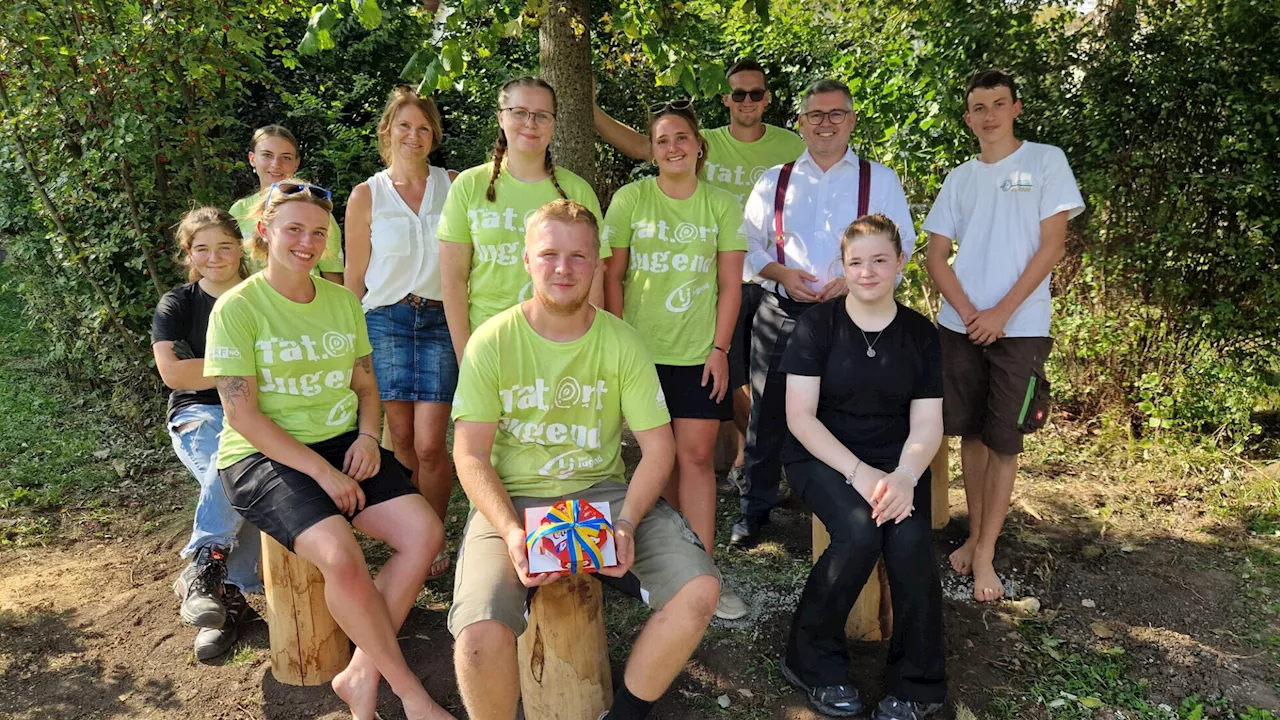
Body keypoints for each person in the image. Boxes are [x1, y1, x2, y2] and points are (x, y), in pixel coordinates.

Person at [449, 199, 720, 720]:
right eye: (549, 254)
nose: (563, 268)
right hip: (515, 497)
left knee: (699, 590)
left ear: (598, 264)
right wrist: (509, 532)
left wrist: (625, 523)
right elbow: (471, 453)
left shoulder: (623, 342)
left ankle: (623, 716)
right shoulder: (492, 340)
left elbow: (659, 449)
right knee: (479, 635)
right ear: (526, 260)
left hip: (602, 491)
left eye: (579, 257)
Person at [205, 181, 453, 720]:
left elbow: (366, 386)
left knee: (424, 534)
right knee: (343, 557)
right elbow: (241, 415)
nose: (307, 241)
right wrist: (322, 472)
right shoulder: (236, 308)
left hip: (343, 441)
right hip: (260, 454)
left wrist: (368, 436)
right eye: (294, 229)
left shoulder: (343, 301)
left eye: (318, 232)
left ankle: (362, 671)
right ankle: (411, 694)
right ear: (264, 232)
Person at [595, 58, 807, 488]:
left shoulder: (791, 146)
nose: (747, 101)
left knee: (760, 382)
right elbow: (642, 145)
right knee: (726, 384)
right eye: (739, 93)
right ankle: (736, 461)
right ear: (726, 99)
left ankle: (761, 463)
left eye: (756, 93)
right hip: (705, 277)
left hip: (765, 276)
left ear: (767, 98)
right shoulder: (700, 139)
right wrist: (589, 107)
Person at [731, 78, 917, 548]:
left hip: (853, 317)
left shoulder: (881, 180)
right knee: (768, 409)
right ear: (800, 123)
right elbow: (746, 246)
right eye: (816, 115)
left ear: (852, 120)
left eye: (836, 114)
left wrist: (855, 283)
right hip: (783, 309)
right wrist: (781, 273)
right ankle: (755, 508)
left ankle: (840, 502)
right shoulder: (774, 180)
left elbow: (905, 246)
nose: (826, 123)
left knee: (846, 410)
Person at [923, 69, 1084, 602]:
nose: (989, 114)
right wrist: (972, 313)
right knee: (969, 434)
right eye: (978, 107)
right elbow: (935, 257)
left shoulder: (1045, 162)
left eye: (998, 103)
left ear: (1015, 108)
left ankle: (987, 552)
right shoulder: (959, 179)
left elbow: (1052, 245)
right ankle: (971, 538)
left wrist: (1001, 313)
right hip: (962, 326)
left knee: (1004, 441)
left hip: (1022, 327)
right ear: (968, 118)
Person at [781, 214, 945, 719]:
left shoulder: (920, 334)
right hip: (822, 456)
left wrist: (904, 477)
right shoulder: (817, 325)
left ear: (900, 262)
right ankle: (812, 660)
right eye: (856, 262)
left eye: (879, 260)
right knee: (858, 533)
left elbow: (927, 425)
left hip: (897, 465)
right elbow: (799, 417)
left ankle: (918, 684)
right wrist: (858, 473)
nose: (868, 272)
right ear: (843, 267)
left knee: (912, 539)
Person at [601, 102, 748, 620]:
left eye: (681, 137)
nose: (673, 148)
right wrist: (619, 344)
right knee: (655, 458)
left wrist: (720, 349)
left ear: (698, 145)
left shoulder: (721, 206)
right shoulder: (630, 199)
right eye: (662, 140)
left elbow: (731, 284)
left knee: (697, 457)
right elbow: (612, 278)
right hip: (640, 354)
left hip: (697, 353)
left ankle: (705, 571)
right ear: (652, 148)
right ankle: (665, 566)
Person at [344, 86, 457, 581]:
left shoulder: (454, 184)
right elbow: (353, 277)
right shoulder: (366, 195)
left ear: (434, 135)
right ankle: (413, 533)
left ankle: (433, 536)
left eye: (424, 127)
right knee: (403, 437)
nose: (413, 135)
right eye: (404, 126)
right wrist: (350, 344)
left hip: (440, 320)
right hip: (384, 322)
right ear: (387, 131)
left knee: (433, 441)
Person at [152, 207, 259, 661]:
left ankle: (217, 591)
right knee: (237, 461)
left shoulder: (262, 296)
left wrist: (212, 370)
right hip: (199, 414)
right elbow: (175, 374)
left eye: (225, 246)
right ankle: (215, 570)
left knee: (252, 466)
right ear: (189, 255)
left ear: (242, 248)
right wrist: (246, 369)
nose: (215, 257)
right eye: (203, 249)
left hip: (257, 410)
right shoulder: (178, 305)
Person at [438, 76, 607, 361]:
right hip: (490, 345)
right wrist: (466, 354)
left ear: (554, 124)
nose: (530, 123)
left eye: (542, 115)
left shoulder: (577, 190)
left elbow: (595, 275)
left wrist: (586, 349)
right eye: (519, 113)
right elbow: (453, 280)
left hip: (561, 347)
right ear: (501, 118)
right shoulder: (469, 185)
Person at [229, 125, 345, 283]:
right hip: (253, 304)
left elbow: (332, 275)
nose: (276, 164)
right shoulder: (239, 210)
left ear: (296, 163)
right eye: (267, 155)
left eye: (286, 157)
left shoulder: (316, 210)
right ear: (252, 158)